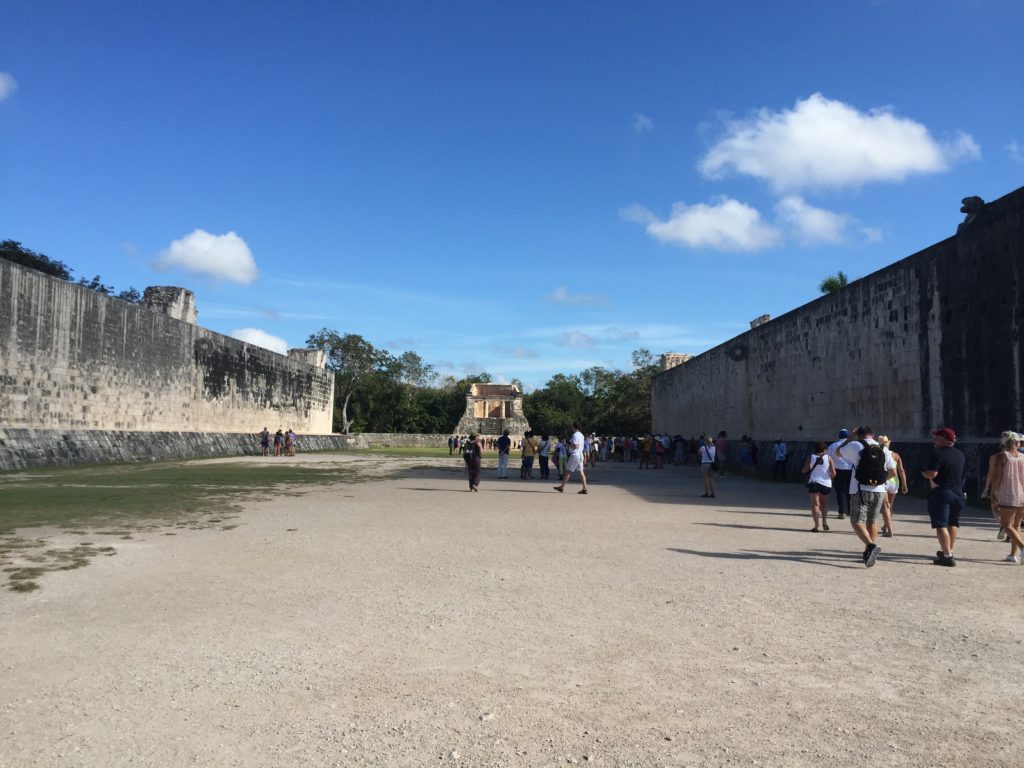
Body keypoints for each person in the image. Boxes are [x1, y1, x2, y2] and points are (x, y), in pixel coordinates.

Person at [837, 426, 896, 568]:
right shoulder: (883, 449)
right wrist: (880, 481)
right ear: (873, 434)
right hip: (880, 490)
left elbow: (838, 452)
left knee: (856, 521)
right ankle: (869, 553)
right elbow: (893, 472)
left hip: (859, 488)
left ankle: (870, 546)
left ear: (858, 434)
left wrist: (850, 438)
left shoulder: (855, 445)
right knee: (872, 520)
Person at [921, 427, 966, 567]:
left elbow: (932, 474)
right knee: (953, 523)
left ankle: (947, 556)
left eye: (936, 437)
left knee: (940, 524)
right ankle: (949, 550)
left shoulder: (937, 453)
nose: (934, 439)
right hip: (958, 492)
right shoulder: (960, 454)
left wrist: (924, 473)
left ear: (942, 440)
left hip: (942, 492)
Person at [983, 431, 1024, 563]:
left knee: (1006, 525)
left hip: (1008, 493)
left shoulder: (1002, 456)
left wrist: (992, 492)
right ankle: (1013, 555)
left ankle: (1023, 548)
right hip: (1022, 493)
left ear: (1004, 443)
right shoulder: (1023, 456)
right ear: (1017, 443)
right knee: (1016, 525)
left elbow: (996, 477)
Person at [876, 436, 908, 537]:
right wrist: (904, 484)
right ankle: (885, 526)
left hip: (884, 480)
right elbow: (901, 470)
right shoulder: (896, 455)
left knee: (885, 506)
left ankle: (889, 530)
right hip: (894, 482)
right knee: (890, 505)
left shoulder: (878, 453)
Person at [802, 442, 835, 532]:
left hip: (814, 482)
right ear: (825, 449)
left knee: (815, 504)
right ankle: (824, 522)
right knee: (824, 504)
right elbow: (833, 473)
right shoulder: (829, 458)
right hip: (826, 483)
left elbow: (804, 470)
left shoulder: (810, 457)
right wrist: (829, 478)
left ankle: (816, 526)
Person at [554, 422, 589, 494]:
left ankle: (562, 487)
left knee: (568, 471)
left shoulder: (575, 435)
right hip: (580, 454)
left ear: (574, 427)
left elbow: (575, 446)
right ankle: (584, 488)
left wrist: (566, 444)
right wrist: (569, 442)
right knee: (581, 472)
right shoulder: (581, 435)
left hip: (575, 454)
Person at [826, 429, 853, 520]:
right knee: (851, 490)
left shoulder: (833, 446)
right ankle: (850, 510)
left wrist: (829, 472)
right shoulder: (852, 445)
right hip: (851, 470)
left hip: (838, 470)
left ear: (839, 436)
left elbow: (829, 459)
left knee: (840, 491)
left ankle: (842, 512)